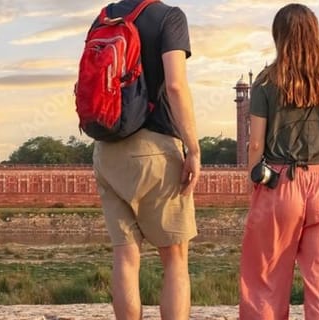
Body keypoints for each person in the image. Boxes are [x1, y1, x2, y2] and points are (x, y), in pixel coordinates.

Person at [239, 4, 319, 320]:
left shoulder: (266, 81)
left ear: (279, 36)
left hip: (279, 185)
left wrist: (255, 184)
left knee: (265, 282)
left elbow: (255, 144)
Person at [90, 1, 201, 319]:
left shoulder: (105, 17)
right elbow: (176, 86)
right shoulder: (169, 17)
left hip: (107, 150)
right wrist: (193, 149)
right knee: (175, 259)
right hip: (155, 150)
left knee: (125, 258)